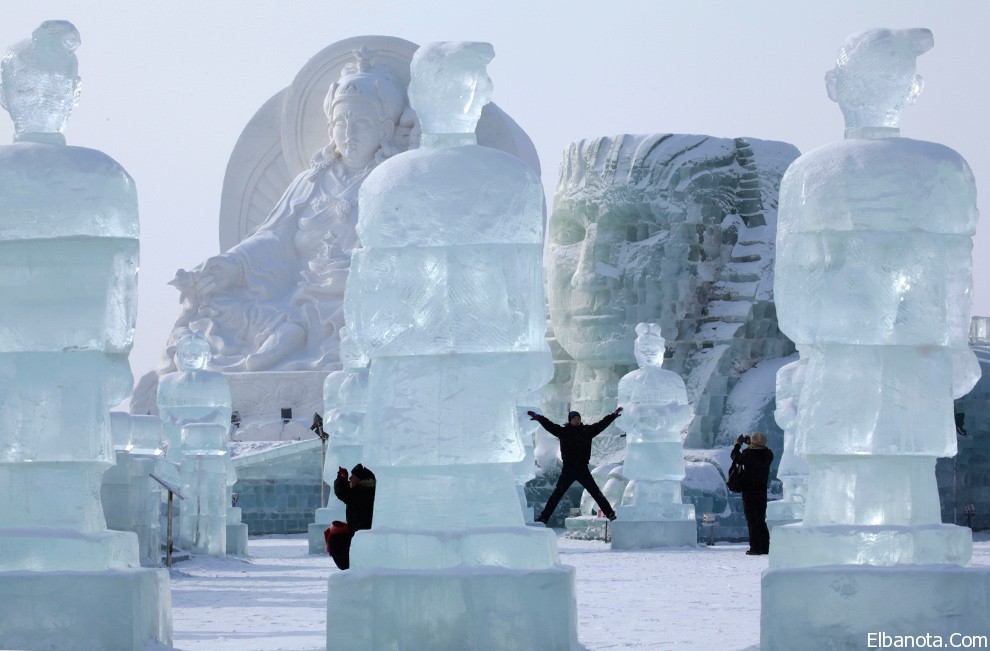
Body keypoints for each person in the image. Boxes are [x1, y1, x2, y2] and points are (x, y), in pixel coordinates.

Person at [168, 49, 407, 372]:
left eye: (361, 123)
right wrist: (232, 265)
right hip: (299, 296)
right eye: (341, 123)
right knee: (210, 303)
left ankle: (297, 340)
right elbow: (274, 238)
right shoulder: (310, 182)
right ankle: (281, 334)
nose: (349, 134)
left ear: (385, 129)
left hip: (363, 299)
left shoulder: (394, 184)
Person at [527, 408, 623, 524]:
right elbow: (550, 426)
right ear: (570, 420)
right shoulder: (563, 432)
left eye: (578, 418)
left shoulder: (587, 431)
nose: (577, 420)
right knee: (557, 494)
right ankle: (544, 517)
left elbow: (601, 425)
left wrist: (612, 416)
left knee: (596, 493)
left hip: (582, 469)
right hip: (568, 469)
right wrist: (539, 418)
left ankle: (610, 514)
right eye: (574, 419)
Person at [324, 463, 376, 570]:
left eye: (353, 476)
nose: (350, 478)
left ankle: (351, 569)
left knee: (335, 541)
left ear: (360, 479)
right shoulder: (366, 489)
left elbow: (343, 492)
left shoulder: (363, 492)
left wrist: (341, 478)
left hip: (362, 534)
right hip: (359, 531)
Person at [731, 431, 773, 555]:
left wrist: (738, 444)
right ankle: (765, 547)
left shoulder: (748, 454)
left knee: (752, 520)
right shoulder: (768, 454)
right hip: (762, 491)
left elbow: (735, 456)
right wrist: (752, 442)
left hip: (749, 491)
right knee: (761, 519)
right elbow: (760, 449)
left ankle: (755, 547)